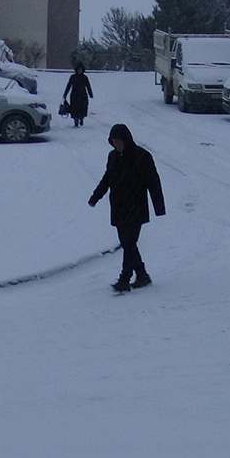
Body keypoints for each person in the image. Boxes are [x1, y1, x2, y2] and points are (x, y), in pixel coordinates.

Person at [88, 123, 165, 292]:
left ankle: (124, 278)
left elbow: (154, 182)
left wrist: (159, 207)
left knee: (129, 242)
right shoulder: (112, 156)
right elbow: (107, 178)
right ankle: (142, 275)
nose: (115, 144)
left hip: (136, 207)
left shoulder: (142, 156)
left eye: (118, 140)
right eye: (113, 141)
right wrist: (96, 196)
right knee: (127, 243)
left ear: (126, 139)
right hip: (118, 207)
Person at [63, 63, 94, 127]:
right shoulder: (73, 77)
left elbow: (88, 86)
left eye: (81, 70)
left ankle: (81, 118)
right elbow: (69, 85)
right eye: (78, 70)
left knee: (82, 108)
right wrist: (65, 94)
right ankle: (76, 122)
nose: (79, 71)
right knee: (74, 109)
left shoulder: (85, 77)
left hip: (83, 95)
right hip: (74, 95)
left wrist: (90, 94)